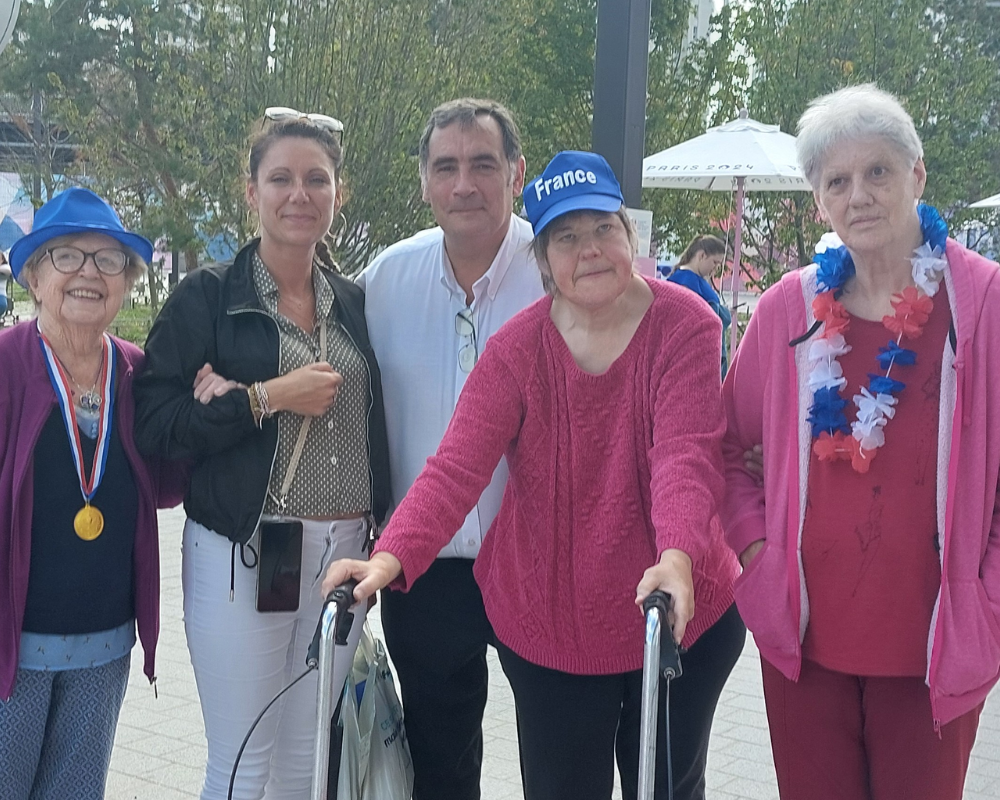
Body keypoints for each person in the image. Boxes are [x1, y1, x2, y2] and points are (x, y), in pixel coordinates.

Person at [327, 150, 745, 800]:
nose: (590, 249)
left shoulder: (686, 323)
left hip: (678, 605)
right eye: (566, 237)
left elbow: (684, 454)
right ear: (544, 260)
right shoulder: (518, 350)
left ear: (628, 235)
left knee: (668, 786)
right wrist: (386, 559)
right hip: (555, 619)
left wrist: (677, 556)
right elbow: (455, 468)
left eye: (603, 227)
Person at [721, 84, 1000, 800]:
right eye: (837, 181)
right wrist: (756, 553)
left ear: (917, 175)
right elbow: (726, 451)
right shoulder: (787, 310)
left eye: (878, 171)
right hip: (805, 646)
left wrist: (989, 598)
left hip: (936, 646)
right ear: (819, 201)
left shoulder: (985, 305)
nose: (860, 195)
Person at [132, 109, 391, 800]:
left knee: (306, 760)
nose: (299, 194)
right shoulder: (209, 298)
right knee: (244, 760)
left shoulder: (354, 303)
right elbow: (153, 422)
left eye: (317, 179)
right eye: (280, 178)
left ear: (338, 193)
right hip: (249, 548)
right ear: (251, 191)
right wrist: (264, 397)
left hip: (343, 553)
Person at [354, 97, 543, 800]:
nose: (464, 184)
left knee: (556, 761)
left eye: (483, 164)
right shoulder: (385, 280)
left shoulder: (555, 271)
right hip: (422, 570)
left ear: (516, 172)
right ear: (425, 181)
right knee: (440, 769)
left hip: (538, 563)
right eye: (446, 167)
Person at [0, 188, 185, 799]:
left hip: (104, 639)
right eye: (67, 256)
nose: (88, 272)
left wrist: (204, 406)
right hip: (11, 641)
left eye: (108, 260)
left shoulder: (138, 371)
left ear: (126, 281)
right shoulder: (5, 366)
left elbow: (166, 484)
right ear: (34, 276)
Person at [666, 235, 732, 376]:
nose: (716, 268)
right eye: (715, 262)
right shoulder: (685, 282)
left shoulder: (692, 280)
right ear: (702, 255)